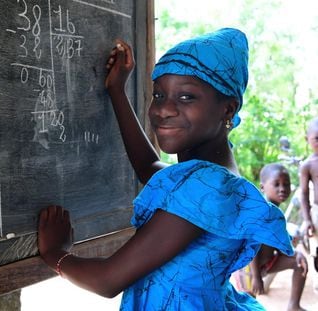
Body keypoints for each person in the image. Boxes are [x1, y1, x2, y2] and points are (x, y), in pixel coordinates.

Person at [37, 28, 294, 310]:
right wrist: (117, 91)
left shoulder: (205, 185)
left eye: (186, 97)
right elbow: (150, 167)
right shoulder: (212, 178)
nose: (163, 110)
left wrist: (55, 254)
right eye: (158, 95)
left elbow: (107, 280)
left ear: (228, 110)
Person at [249, 163, 307, 311]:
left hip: (269, 262)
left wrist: (294, 253)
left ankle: (294, 306)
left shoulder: (277, 213)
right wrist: (256, 276)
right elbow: (251, 245)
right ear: (262, 187)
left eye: (286, 185)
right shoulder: (262, 211)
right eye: (276, 184)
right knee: (247, 300)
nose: (282, 189)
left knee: (300, 261)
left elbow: (277, 242)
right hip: (249, 267)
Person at [300, 117, 318, 289]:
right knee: (317, 251)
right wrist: (307, 220)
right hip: (317, 213)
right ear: (308, 140)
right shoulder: (308, 165)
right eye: (317, 139)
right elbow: (304, 194)